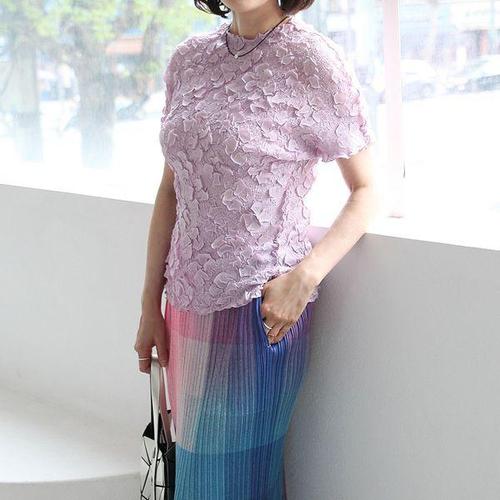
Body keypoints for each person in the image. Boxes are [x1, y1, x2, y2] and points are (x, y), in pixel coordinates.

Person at [135, 0, 380, 498]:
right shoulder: (189, 59)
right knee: (195, 475)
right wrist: (149, 305)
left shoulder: (312, 59)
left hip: (258, 310)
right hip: (184, 309)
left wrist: (304, 278)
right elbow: (170, 190)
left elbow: (368, 190)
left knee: (234, 482)